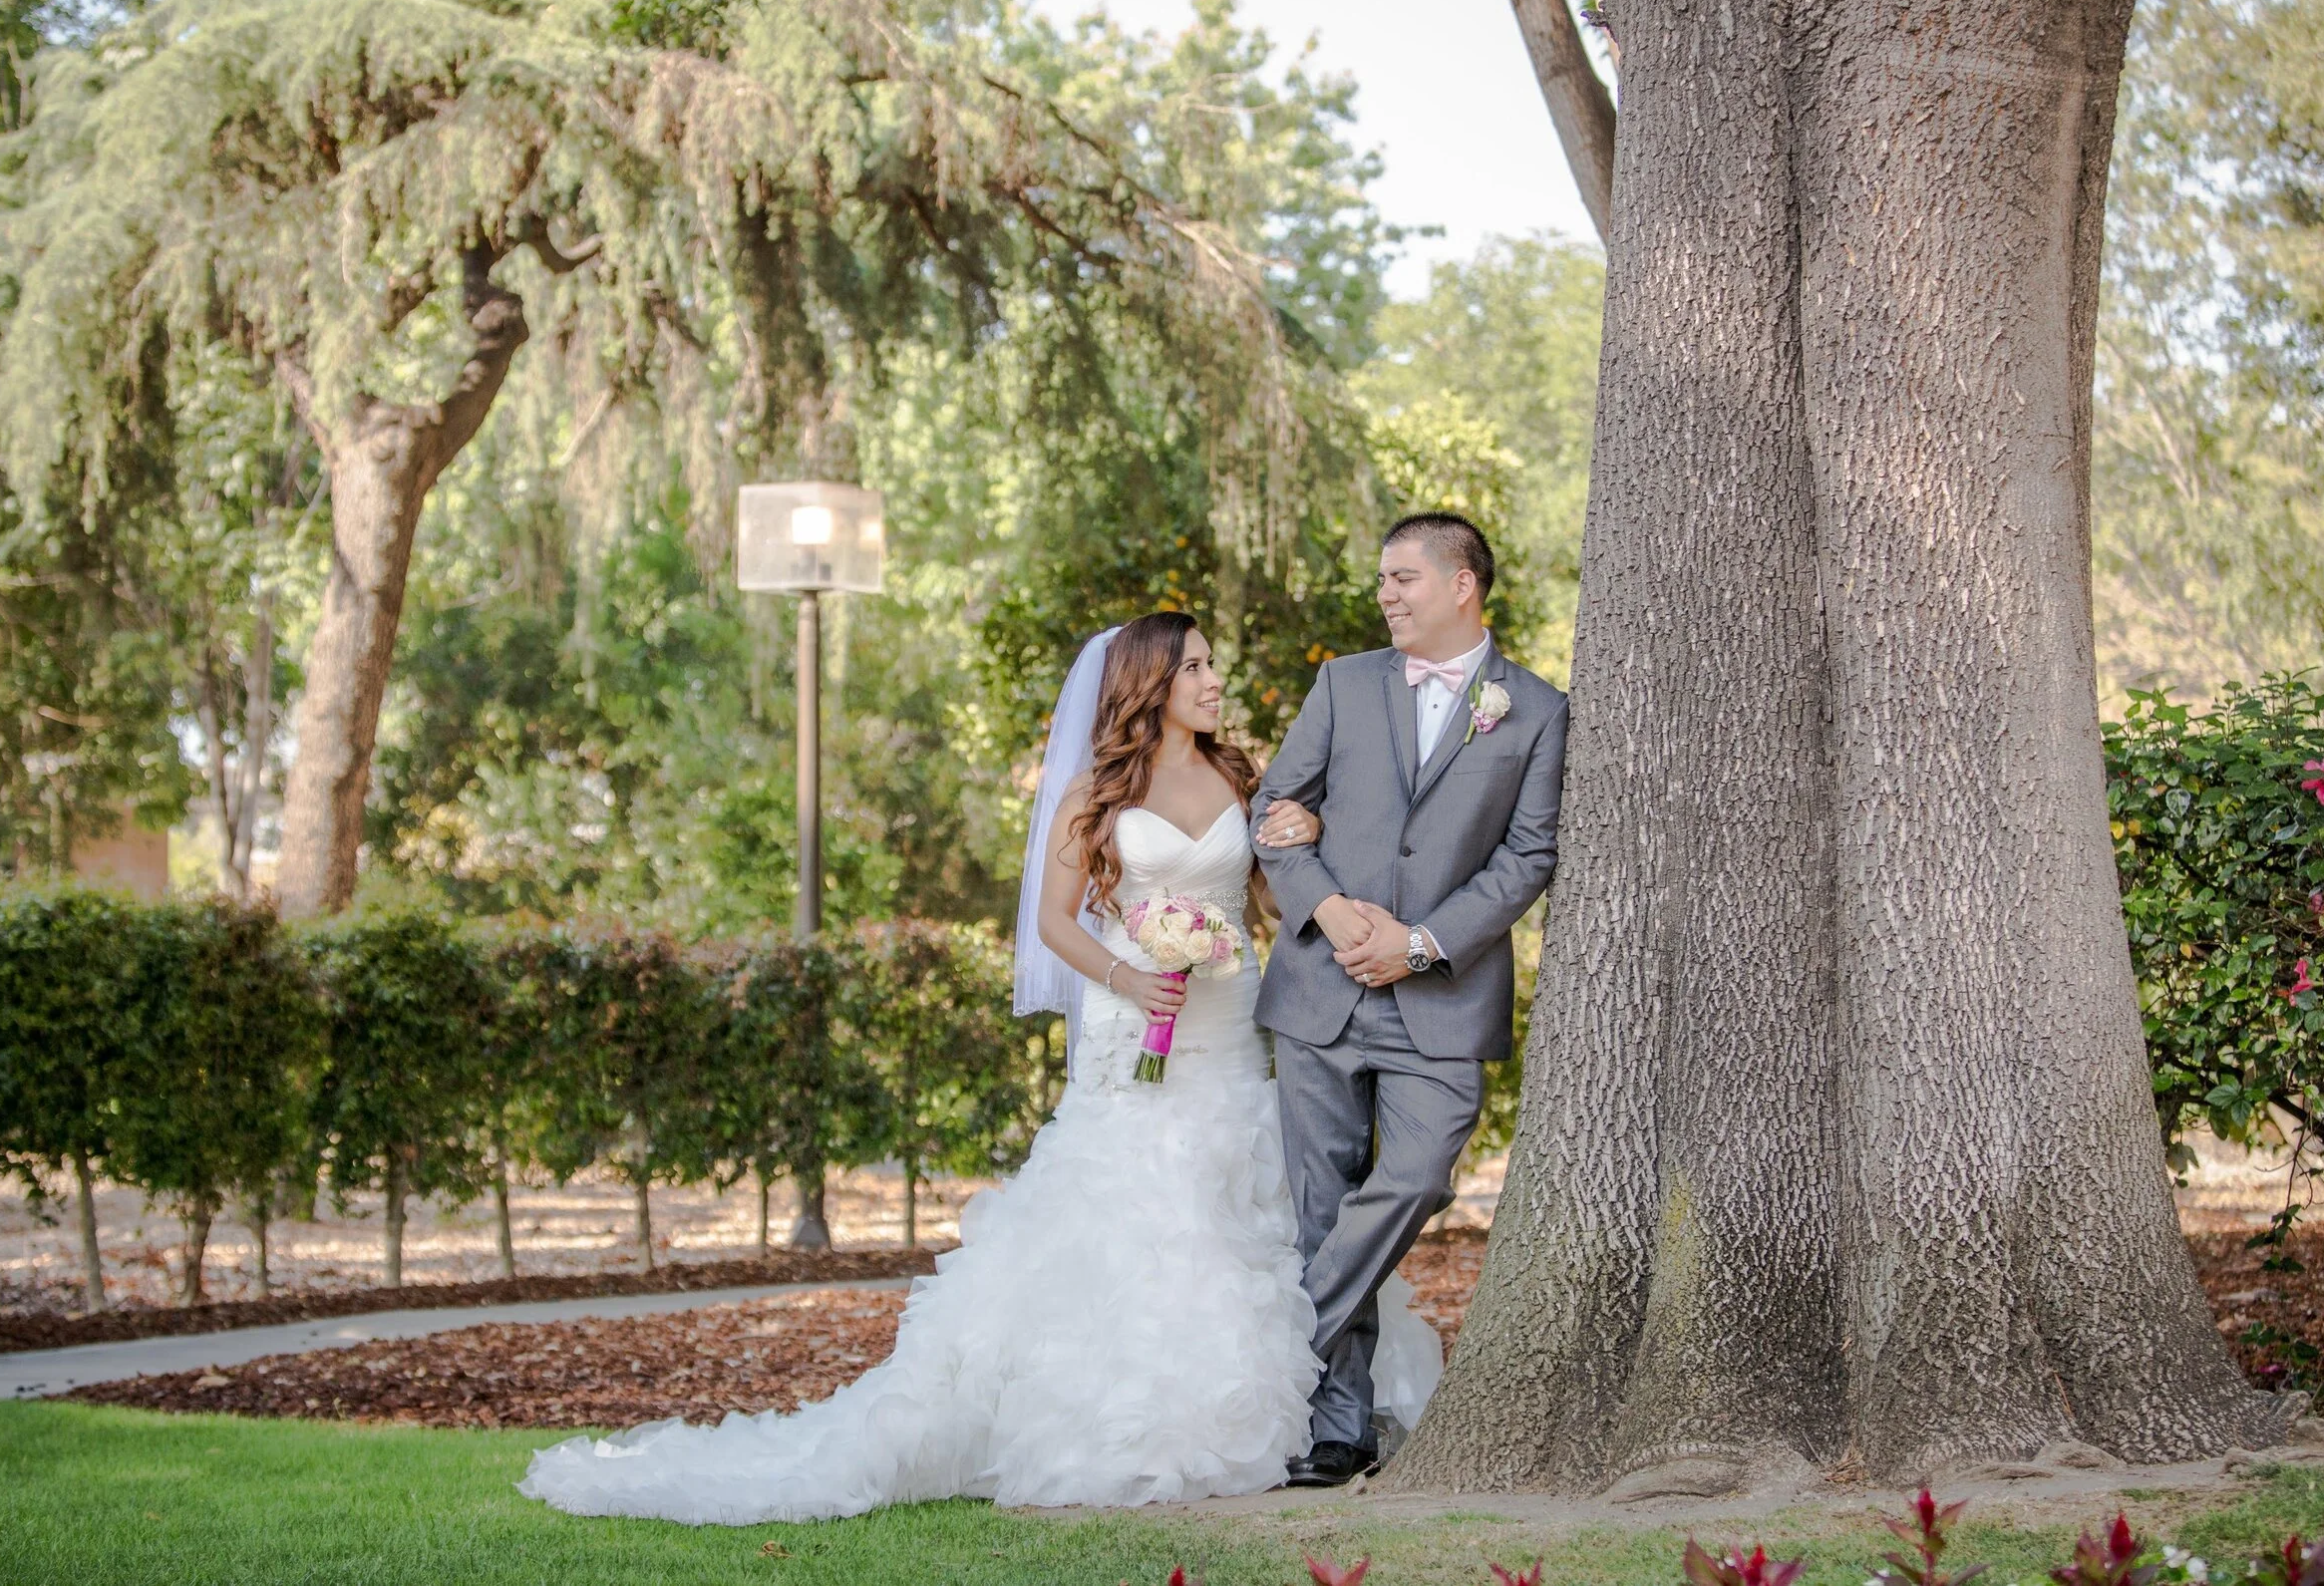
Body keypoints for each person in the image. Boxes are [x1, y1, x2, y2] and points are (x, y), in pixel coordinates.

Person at [515, 610, 1441, 1525]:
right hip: (1135, 1022)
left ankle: (1313, 1412)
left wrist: (1308, 878)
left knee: (1247, 1191)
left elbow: (1270, 893)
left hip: (1231, 1019)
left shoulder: (1241, 776)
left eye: (1211, 665)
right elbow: (1053, 924)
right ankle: (1131, 1415)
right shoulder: (1096, 794)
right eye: (1195, 667)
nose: (1213, 681)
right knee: (1146, 1197)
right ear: (1151, 685)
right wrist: (1132, 973)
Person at [1249, 510, 1568, 1488]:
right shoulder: (1342, 684)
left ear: (1461, 583)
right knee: (1321, 1203)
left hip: (1440, 996)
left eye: (1401, 578)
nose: (1384, 595)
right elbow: (1274, 810)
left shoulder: (1538, 709)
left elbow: (1529, 856)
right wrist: (1334, 910)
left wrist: (1420, 945)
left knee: (1418, 1176)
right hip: (1320, 988)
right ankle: (1334, 1427)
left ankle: (1272, 1338)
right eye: (1382, 581)